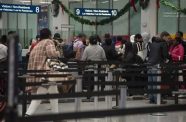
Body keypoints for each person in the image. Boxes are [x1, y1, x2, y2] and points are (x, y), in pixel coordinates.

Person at [26, 28, 60, 116]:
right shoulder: (48, 41)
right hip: (45, 73)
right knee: (39, 95)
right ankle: (27, 115)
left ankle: (56, 117)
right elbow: (52, 54)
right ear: (49, 35)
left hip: (36, 73)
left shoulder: (37, 45)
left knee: (54, 93)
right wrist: (58, 52)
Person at [147, 36, 169, 104]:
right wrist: (166, 60)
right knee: (156, 83)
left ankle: (151, 99)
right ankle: (157, 99)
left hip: (149, 64)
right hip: (157, 64)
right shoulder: (163, 44)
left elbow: (148, 54)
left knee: (151, 83)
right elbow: (165, 55)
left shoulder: (151, 44)